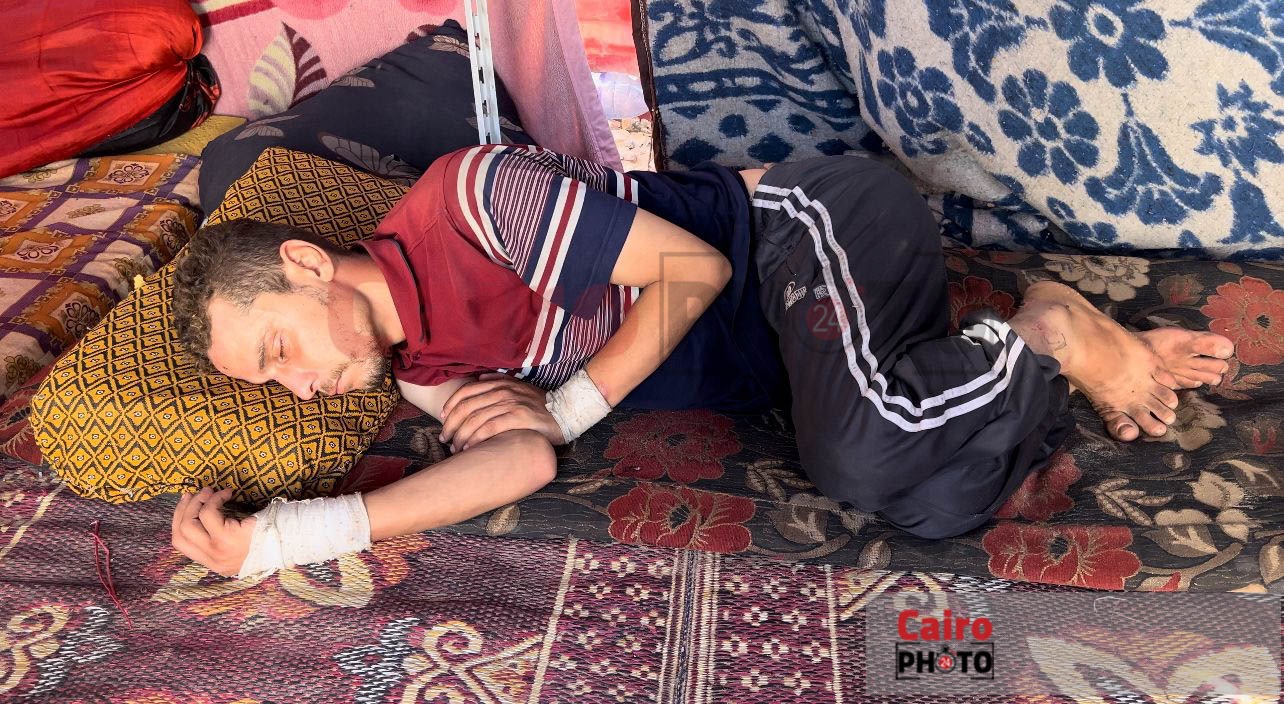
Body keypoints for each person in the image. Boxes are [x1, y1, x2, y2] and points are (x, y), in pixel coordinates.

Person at [169, 144, 1235, 578]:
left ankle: (1051, 331)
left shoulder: (468, 200)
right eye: (272, 384)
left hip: (799, 229)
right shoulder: (419, 367)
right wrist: (287, 537)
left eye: (278, 348)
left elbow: (691, 270)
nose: (298, 385)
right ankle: (1030, 347)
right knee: (936, 502)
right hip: (811, 357)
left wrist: (564, 406)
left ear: (307, 264)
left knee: (862, 457)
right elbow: (519, 462)